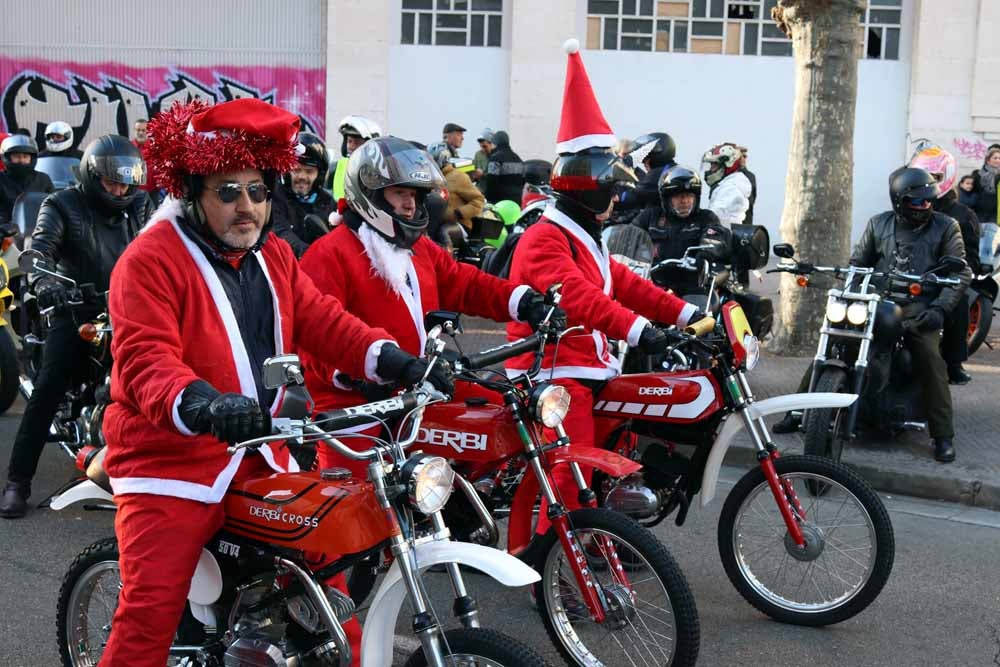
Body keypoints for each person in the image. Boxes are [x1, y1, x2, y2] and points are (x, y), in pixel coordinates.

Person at [94, 98, 445, 666]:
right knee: (148, 612)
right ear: (191, 192)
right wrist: (203, 403)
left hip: (262, 452)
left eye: (257, 192)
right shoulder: (148, 260)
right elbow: (144, 361)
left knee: (328, 591)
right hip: (173, 462)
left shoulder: (273, 255)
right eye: (227, 192)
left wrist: (398, 361)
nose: (246, 208)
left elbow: (325, 321)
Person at [506, 39, 706, 541]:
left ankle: (601, 535)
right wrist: (643, 333)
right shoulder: (544, 238)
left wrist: (688, 316)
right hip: (552, 370)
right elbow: (579, 298)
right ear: (588, 189)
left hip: (593, 366)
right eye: (611, 192)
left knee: (623, 445)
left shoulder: (585, 235)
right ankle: (558, 560)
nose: (617, 200)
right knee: (571, 472)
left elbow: (626, 284)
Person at [298, 136, 560, 473]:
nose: (410, 205)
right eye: (400, 194)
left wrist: (523, 301)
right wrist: (353, 377)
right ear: (372, 194)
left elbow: (465, 283)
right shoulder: (329, 253)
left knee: (509, 419)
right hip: (357, 404)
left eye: (415, 195)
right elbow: (312, 336)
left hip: (421, 383)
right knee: (356, 505)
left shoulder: (418, 247)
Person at [774, 167, 970, 463]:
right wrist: (851, 291)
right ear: (899, 201)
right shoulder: (879, 224)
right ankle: (799, 409)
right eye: (917, 202)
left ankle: (943, 435)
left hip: (919, 304)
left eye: (929, 200)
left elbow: (961, 270)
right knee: (833, 340)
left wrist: (939, 308)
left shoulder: (946, 226)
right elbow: (857, 263)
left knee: (928, 354)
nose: (925, 206)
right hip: (877, 299)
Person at [0, 135, 151, 518]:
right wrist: (47, 283)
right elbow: (41, 247)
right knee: (49, 387)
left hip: (131, 308)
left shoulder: (141, 205)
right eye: (112, 182)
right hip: (77, 307)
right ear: (91, 174)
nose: (120, 189)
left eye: (126, 183)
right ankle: (18, 482)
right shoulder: (62, 203)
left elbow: (162, 244)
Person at [911, 146, 980, 385]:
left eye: (935, 177)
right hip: (908, 276)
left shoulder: (962, 214)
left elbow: (971, 259)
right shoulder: (906, 205)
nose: (929, 182)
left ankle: (953, 363)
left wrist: (950, 271)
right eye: (923, 175)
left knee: (957, 302)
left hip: (944, 279)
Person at [633, 165, 731, 294]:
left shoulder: (706, 218)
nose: (684, 201)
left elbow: (715, 235)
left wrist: (705, 255)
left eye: (689, 196)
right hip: (654, 282)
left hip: (692, 286)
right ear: (667, 199)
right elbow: (630, 235)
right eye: (678, 196)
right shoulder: (651, 217)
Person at [271, 131, 337, 256]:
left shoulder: (327, 202)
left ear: (319, 175)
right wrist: (310, 255)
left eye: (309, 171)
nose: (302, 176)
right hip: (287, 267)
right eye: (296, 170)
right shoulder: (275, 198)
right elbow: (280, 233)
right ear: (286, 171)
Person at [615, 132, 677, 212]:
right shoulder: (671, 169)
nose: (643, 163)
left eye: (646, 158)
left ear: (657, 156)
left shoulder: (660, 174)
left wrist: (614, 195)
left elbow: (634, 196)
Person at [428, 141, 485, 230]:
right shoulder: (430, 179)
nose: (430, 165)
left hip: (459, 224)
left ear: (441, 159)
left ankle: (446, 244)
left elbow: (479, 201)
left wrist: (458, 213)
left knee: (443, 232)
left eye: (432, 161)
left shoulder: (458, 177)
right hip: (435, 223)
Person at [0, 134, 54, 224]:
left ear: (31, 158)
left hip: (40, 230)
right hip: (8, 233)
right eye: (16, 156)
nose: (21, 160)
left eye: (25, 157)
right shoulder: (1, 180)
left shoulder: (43, 179)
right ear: (7, 157)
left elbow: (54, 207)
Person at [326, 115, 382, 199]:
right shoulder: (335, 168)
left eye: (357, 142)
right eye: (349, 141)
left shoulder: (379, 172)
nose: (350, 146)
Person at [702, 142, 752, 227]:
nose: (711, 169)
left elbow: (716, 213)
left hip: (724, 235)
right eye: (711, 164)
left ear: (728, 164)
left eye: (715, 164)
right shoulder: (726, 184)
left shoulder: (731, 187)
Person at [971, 147, 1000, 263]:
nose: (998, 160)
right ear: (988, 160)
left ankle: (986, 269)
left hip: (994, 215)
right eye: (995, 158)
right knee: (979, 244)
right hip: (978, 214)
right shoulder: (978, 175)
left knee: (989, 246)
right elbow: (971, 193)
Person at [483, 130, 525, 204]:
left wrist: (486, 199)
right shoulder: (518, 159)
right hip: (516, 202)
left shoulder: (495, 159)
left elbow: (491, 181)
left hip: (499, 202)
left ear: (495, 143)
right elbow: (522, 180)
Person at [737, 144, 758, 225]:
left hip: (744, 223)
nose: (743, 159)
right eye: (740, 157)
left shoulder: (749, 176)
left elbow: (750, 201)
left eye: (744, 157)